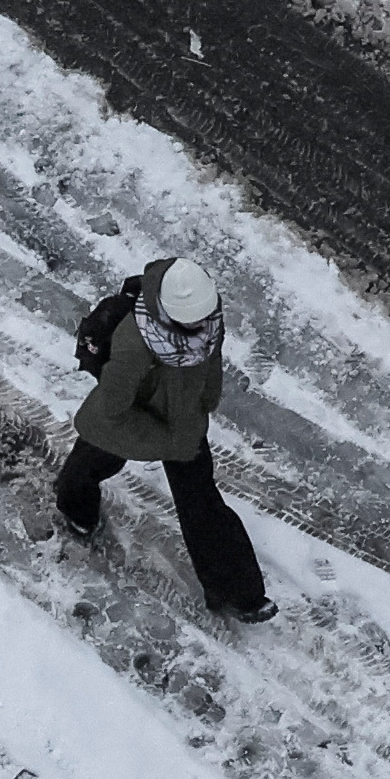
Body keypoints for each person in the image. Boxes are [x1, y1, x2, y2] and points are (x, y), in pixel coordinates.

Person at [58, 253, 273, 622]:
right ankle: (77, 512)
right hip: (139, 417)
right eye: (193, 324)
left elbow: (211, 356)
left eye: (205, 320)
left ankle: (241, 594)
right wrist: (163, 439)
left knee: (203, 506)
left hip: (184, 416)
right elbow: (113, 407)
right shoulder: (134, 343)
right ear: (168, 315)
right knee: (91, 461)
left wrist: (207, 398)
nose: (203, 327)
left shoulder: (205, 315)